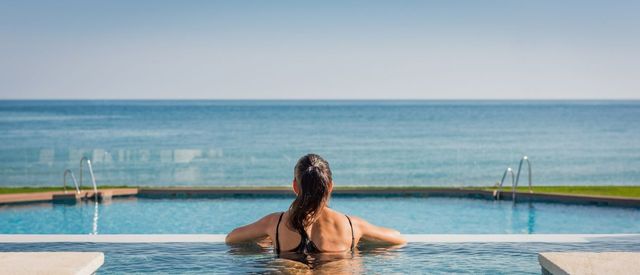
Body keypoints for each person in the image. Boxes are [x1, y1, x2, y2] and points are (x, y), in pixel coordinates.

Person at [225, 153, 406, 256]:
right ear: (330, 186)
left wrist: (266, 239)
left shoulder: (275, 223)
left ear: (295, 186)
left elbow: (232, 238)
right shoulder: (351, 226)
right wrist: (361, 239)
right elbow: (398, 239)